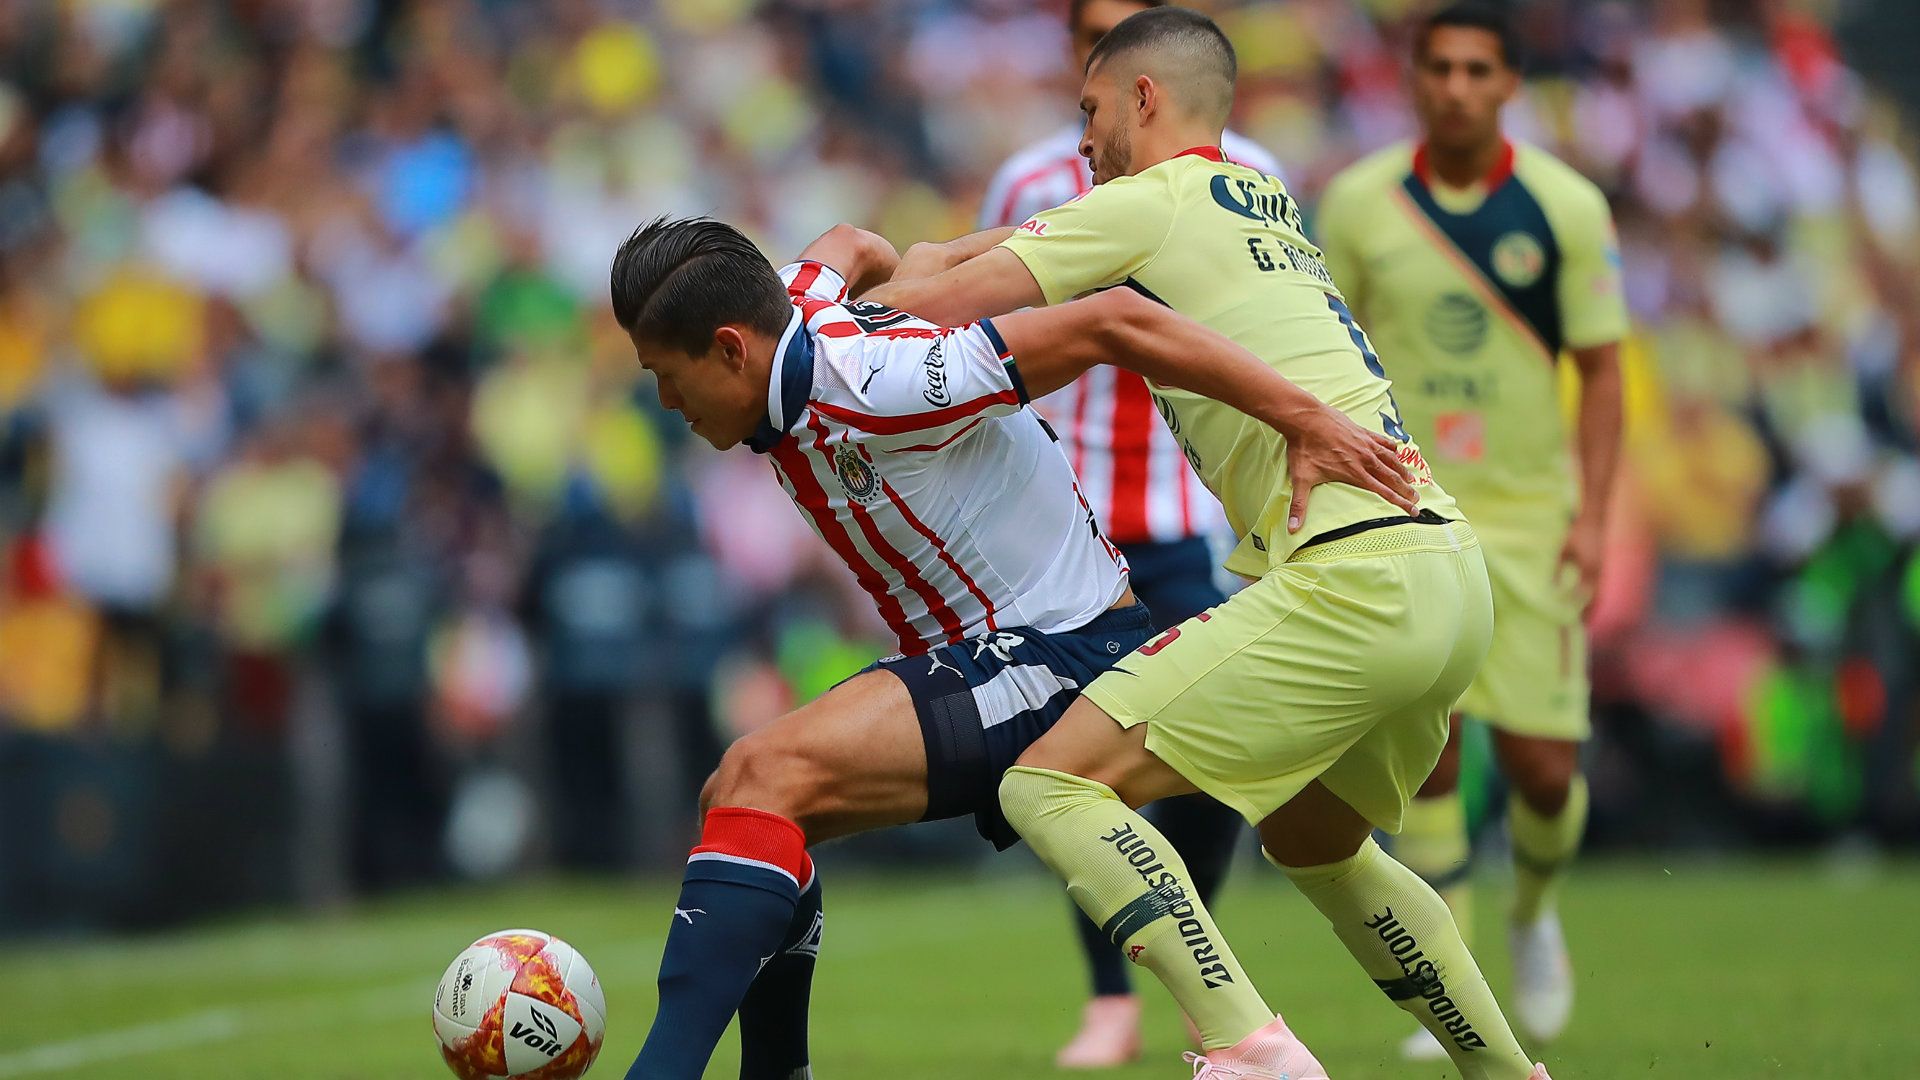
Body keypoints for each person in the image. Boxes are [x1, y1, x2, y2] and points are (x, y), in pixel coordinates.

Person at [866, 8, 1553, 1079]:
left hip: (1354, 576)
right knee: (1315, 841)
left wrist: (845, 285)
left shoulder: (1148, 202)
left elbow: (933, 313)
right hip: (1445, 571)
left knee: (1048, 785)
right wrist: (945, 246)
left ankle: (1245, 1044)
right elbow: (1017, 246)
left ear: (1143, 100)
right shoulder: (1257, 196)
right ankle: (1511, 1075)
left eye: (1090, 111)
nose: (1081, 139)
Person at [610, 216, 1416, 1080]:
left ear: (731, 349)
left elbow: (1115, 321)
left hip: (1061, 649)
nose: (666, 406)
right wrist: (902, 281)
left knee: (763, 775)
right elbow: (849, 243)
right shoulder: (794, 308)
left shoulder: (887, 383)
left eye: (667, 378)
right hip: (989, 654)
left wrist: (1306, 421)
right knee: (741, 806)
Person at [1313, 2, 1628, 1058]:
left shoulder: (1566, 208)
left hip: (1536, 521)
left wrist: (1594, 517)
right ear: (1412, 78)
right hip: (1410, 509)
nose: (1454, 85)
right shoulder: (1359, 205)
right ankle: (1451, 971)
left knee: (1543, 768)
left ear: (1508, 85)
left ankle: (1534, 912)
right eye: (1437, 66)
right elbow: (1324, 353)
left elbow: (1605, 375)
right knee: (1432, 759)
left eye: (1476, 69)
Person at [978, 1, 1278, 1063]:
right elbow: (990, 341)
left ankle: (1189, 956)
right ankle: (1110, 994)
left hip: (1188, 518)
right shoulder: (1032, 178)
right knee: (1076, 759)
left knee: (1216, 756)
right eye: (1085, 28)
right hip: (1072, 522)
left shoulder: (1248, 169)